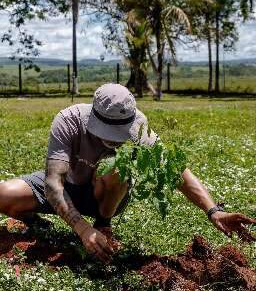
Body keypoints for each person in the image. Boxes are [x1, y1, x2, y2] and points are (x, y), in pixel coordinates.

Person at [0, 83, 255, 263]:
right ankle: (39, 223)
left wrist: (214, 210)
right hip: (68, 186)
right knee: (4, 195)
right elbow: (54, 183)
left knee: (116, 170)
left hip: (105, 195)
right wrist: (80, 228)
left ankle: (104, 224)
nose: (117, 140)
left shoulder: (139, 132)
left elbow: (174, 170)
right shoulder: (69, 120)